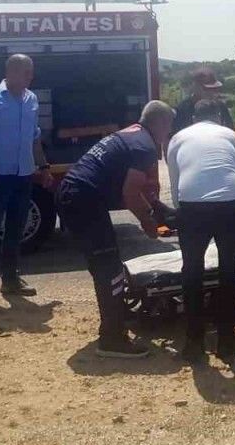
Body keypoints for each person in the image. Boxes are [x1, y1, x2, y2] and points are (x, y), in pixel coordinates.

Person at [55, 101, 175, 358]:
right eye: (169, 128)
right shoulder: (145, 146)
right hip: (83, 198)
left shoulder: (130, 134)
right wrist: (148, 223)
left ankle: (116, 316)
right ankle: (112, 339)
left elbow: (134, 189)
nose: (168, 134)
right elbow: (130, 193)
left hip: (74, 193)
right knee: (108, 267)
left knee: (105, 264)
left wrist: (156, 209)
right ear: (161, 123)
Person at [167, 98, 235, 362]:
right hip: (230, 205)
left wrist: (183, 213)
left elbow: (175, 186)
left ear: (193, 118)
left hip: (192, 207)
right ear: (218, 117)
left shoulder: (178, 138)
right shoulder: (231, 136)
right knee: (230, 272)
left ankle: (194, 341)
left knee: (192, 271)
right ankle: (226, 339)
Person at [0, 54, 52, 306]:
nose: (31, 76)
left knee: (16, 229)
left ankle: (10, 280)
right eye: (27, 72)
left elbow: (34, 137)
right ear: (12, 72)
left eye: (31, 72)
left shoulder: (31, 99)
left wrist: (44, 167)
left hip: (24, 174)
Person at [173, 66, 235, 135]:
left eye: (215, 89)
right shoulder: (182, 109)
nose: (213, 93)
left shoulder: (221, 106)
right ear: (196, 86)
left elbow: (231, 132)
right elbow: (174, 136)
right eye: (208, 89)